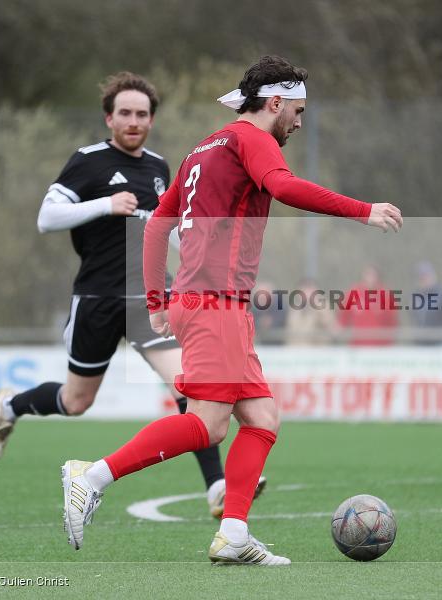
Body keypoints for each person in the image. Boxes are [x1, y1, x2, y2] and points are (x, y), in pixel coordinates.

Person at [59, 55, 403, 564]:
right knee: (208, 425)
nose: (300, 122)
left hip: (212, 303)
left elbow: (157, 226)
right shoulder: (252, 139)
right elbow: (284, 187)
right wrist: (363, 210)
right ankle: (90, 476)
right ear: (276, 102)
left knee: (262, 416)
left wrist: (158, 301)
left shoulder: (201, 148)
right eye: (298, 111)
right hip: (213, 303)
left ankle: (234, 533)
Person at [0, 72, 248, 518]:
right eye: (124, 113)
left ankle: (216, 487)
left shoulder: (161, 168)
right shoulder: (87, 161)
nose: (133, 121)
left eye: (142, 114)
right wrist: (106, 204)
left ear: (151, 120)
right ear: (109, 117)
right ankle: (10, 406)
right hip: (97, 299)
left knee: (188, 381)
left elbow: (171, 232)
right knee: (75, 402)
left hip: (149, 299)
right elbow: (47, 217)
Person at [337, 265, 399, 345]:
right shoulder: (353, 293)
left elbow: (392, 322)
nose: (370, 279)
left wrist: (389, 341)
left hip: (380, 347)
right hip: (358, 347)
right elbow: (343, 317)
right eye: (368, 275)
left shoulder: (386, 296)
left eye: (373, 275)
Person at [410, 260, 442, 344]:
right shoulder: (417, 296)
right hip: (422, 343)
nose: (424, 280)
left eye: (426, 276)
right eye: (421, 277)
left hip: (441, 342)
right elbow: (415, 318)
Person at [285, 278, 337, 346]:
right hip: (295, 350)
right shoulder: (294, 309)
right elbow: (289, 331)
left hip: (317, 351)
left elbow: (329, 326)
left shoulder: (324, 306)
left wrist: (315, 306)